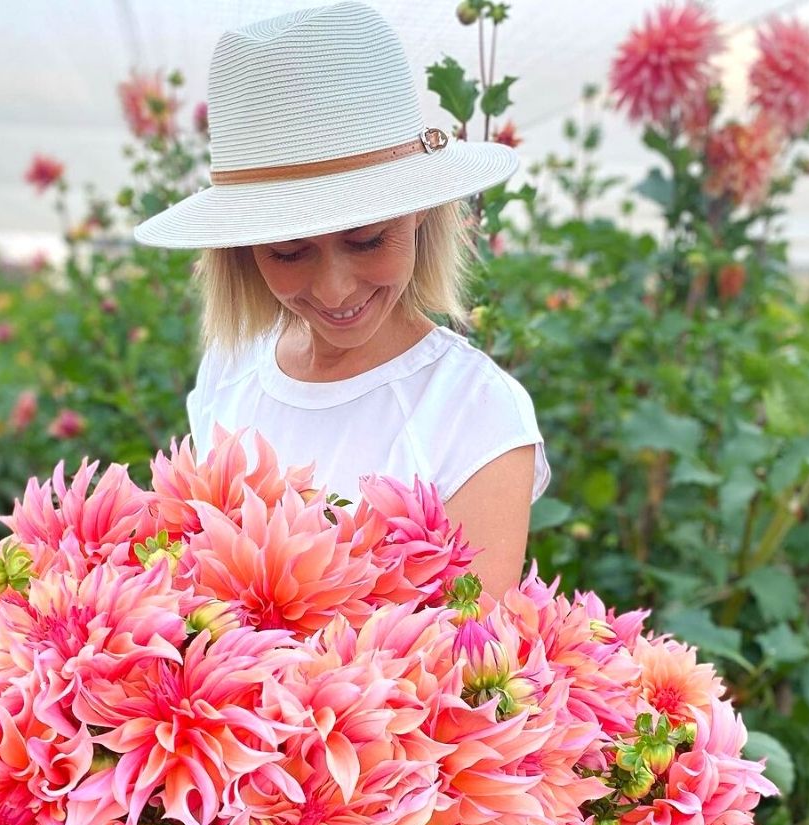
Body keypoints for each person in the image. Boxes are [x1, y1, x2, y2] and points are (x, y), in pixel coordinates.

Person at [134, 0, 551, 601]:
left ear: (422, 214)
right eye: (288, 253)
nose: (335, 290)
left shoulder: (476, 416)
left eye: (367, 240)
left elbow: (467, 675)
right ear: (242, 253)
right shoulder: (231, 370)